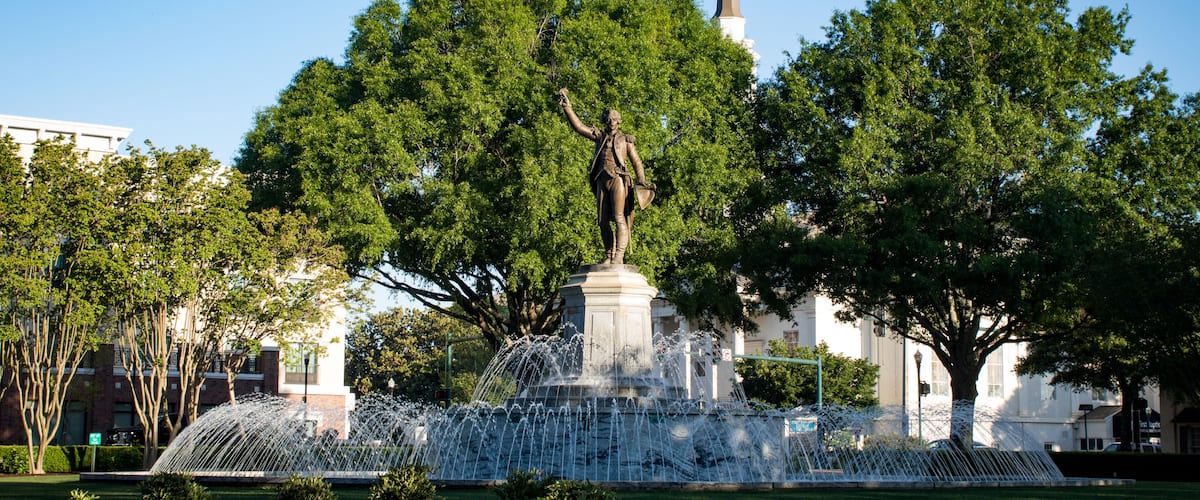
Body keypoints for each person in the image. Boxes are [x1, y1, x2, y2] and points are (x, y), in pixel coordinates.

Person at [556, 88, 654, 265]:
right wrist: (567, 107)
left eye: (614, 120)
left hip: (618, 179)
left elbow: (637, 162)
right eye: (608, 120)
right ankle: (609, 255)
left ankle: (619, 256)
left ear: (619, 122)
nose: (611, 123)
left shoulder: (625, 140)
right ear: (605, 121)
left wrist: (641, 180)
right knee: (602, 221)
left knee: (619, 217)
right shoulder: (599, 136)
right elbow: (579, 127)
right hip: (601, 179)